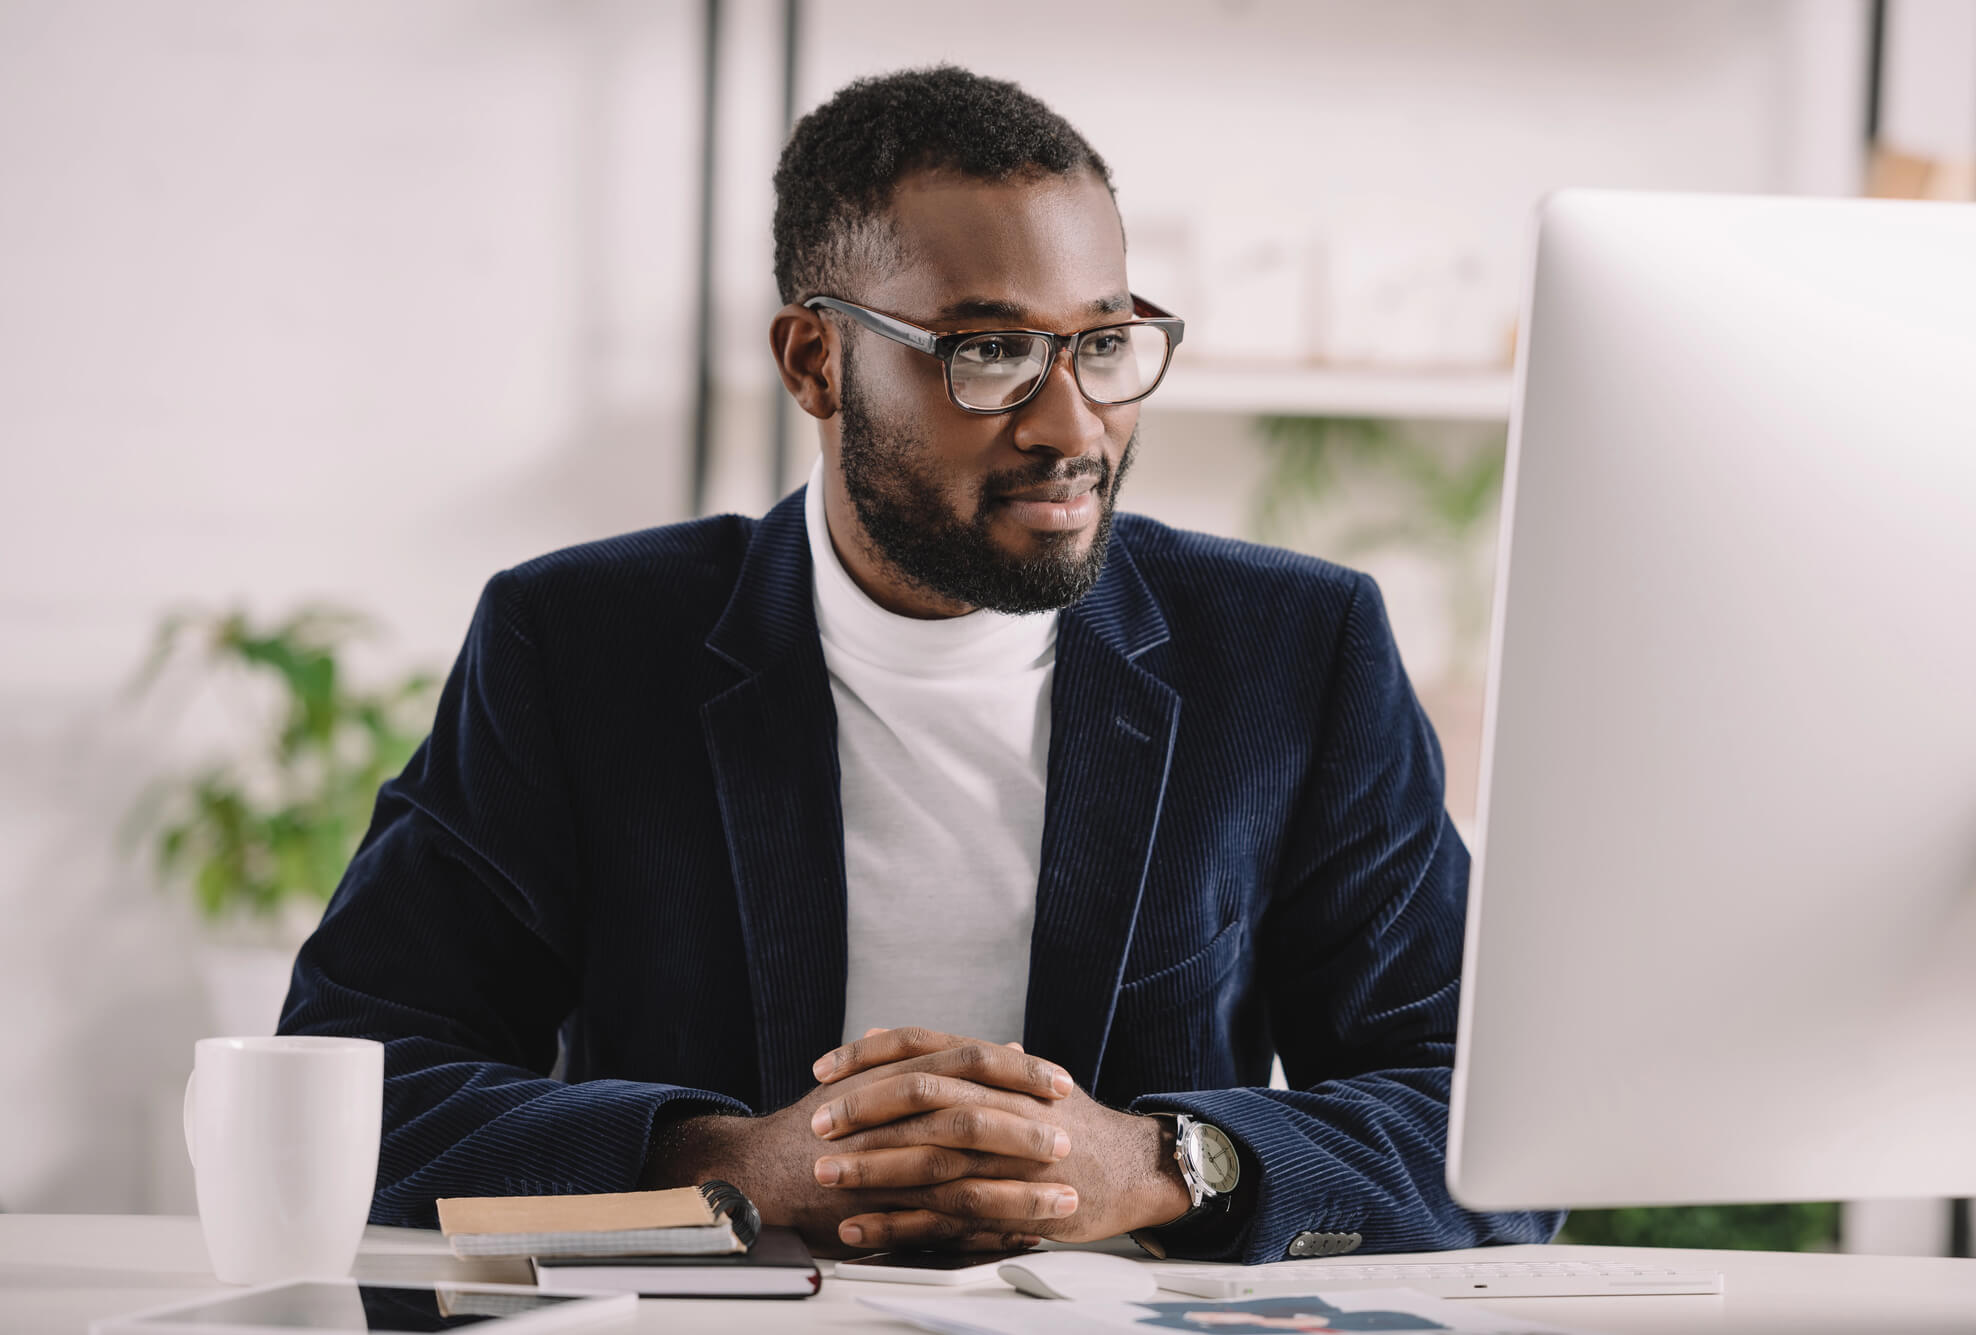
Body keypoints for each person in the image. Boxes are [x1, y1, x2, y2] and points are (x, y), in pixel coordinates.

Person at [279, 64, 1559, 1263]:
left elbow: (1489, 1129)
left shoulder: (1289, 651)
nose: (1072, 427)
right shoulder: (579, 645)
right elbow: (350, 1080)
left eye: (1102, 346)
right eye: (987, 352)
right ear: (814, 362)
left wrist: (1167, 1160)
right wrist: (733, 1163)